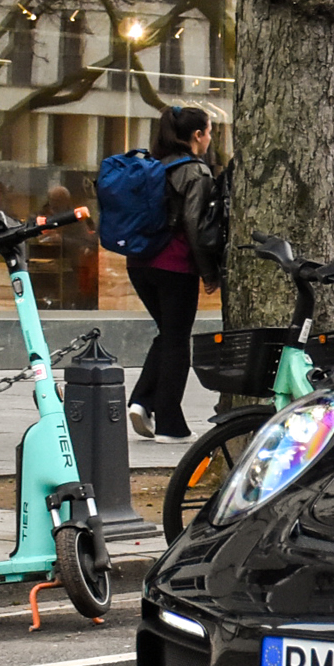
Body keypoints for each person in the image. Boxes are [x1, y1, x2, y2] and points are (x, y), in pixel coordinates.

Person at [125, 106, 223, 440]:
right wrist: (209, 272)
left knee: (168, 334)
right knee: (177, 341)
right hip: (175, 265)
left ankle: (141, 401)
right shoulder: (196, 172)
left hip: (138, 264)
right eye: (209, 132)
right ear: (197, 135)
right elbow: (195, 225)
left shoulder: (150, 165)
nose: (210, 139)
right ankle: (169, 423)